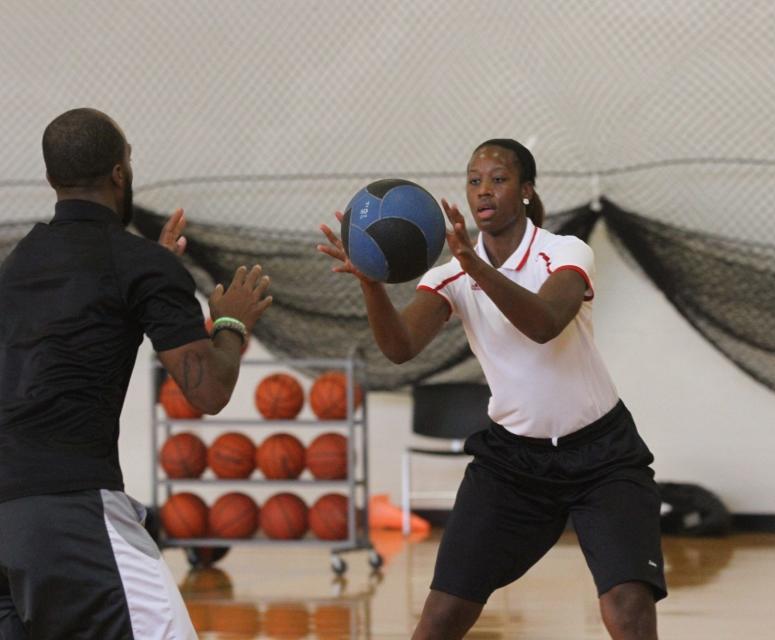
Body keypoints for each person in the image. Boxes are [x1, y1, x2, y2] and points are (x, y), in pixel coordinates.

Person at [318, 139, 665, 640]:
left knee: (628, 607)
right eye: (474, 180)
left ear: (526, 191)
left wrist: (476, 266)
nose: (484, 191)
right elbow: (400, 347)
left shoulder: (565, 252)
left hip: (603, 458)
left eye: (498, 179)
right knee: (441, 616)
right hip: (512, 465)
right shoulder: (450, 276)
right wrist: (371, 284)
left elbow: (544, 323)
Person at [0, 108, 273, 639]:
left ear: (52, 179)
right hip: (69, 508)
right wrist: (232, 322)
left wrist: (149, 273)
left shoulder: (16, 264)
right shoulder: (138, 263)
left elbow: (82, 305)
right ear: (120, 173)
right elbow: (209, 390)